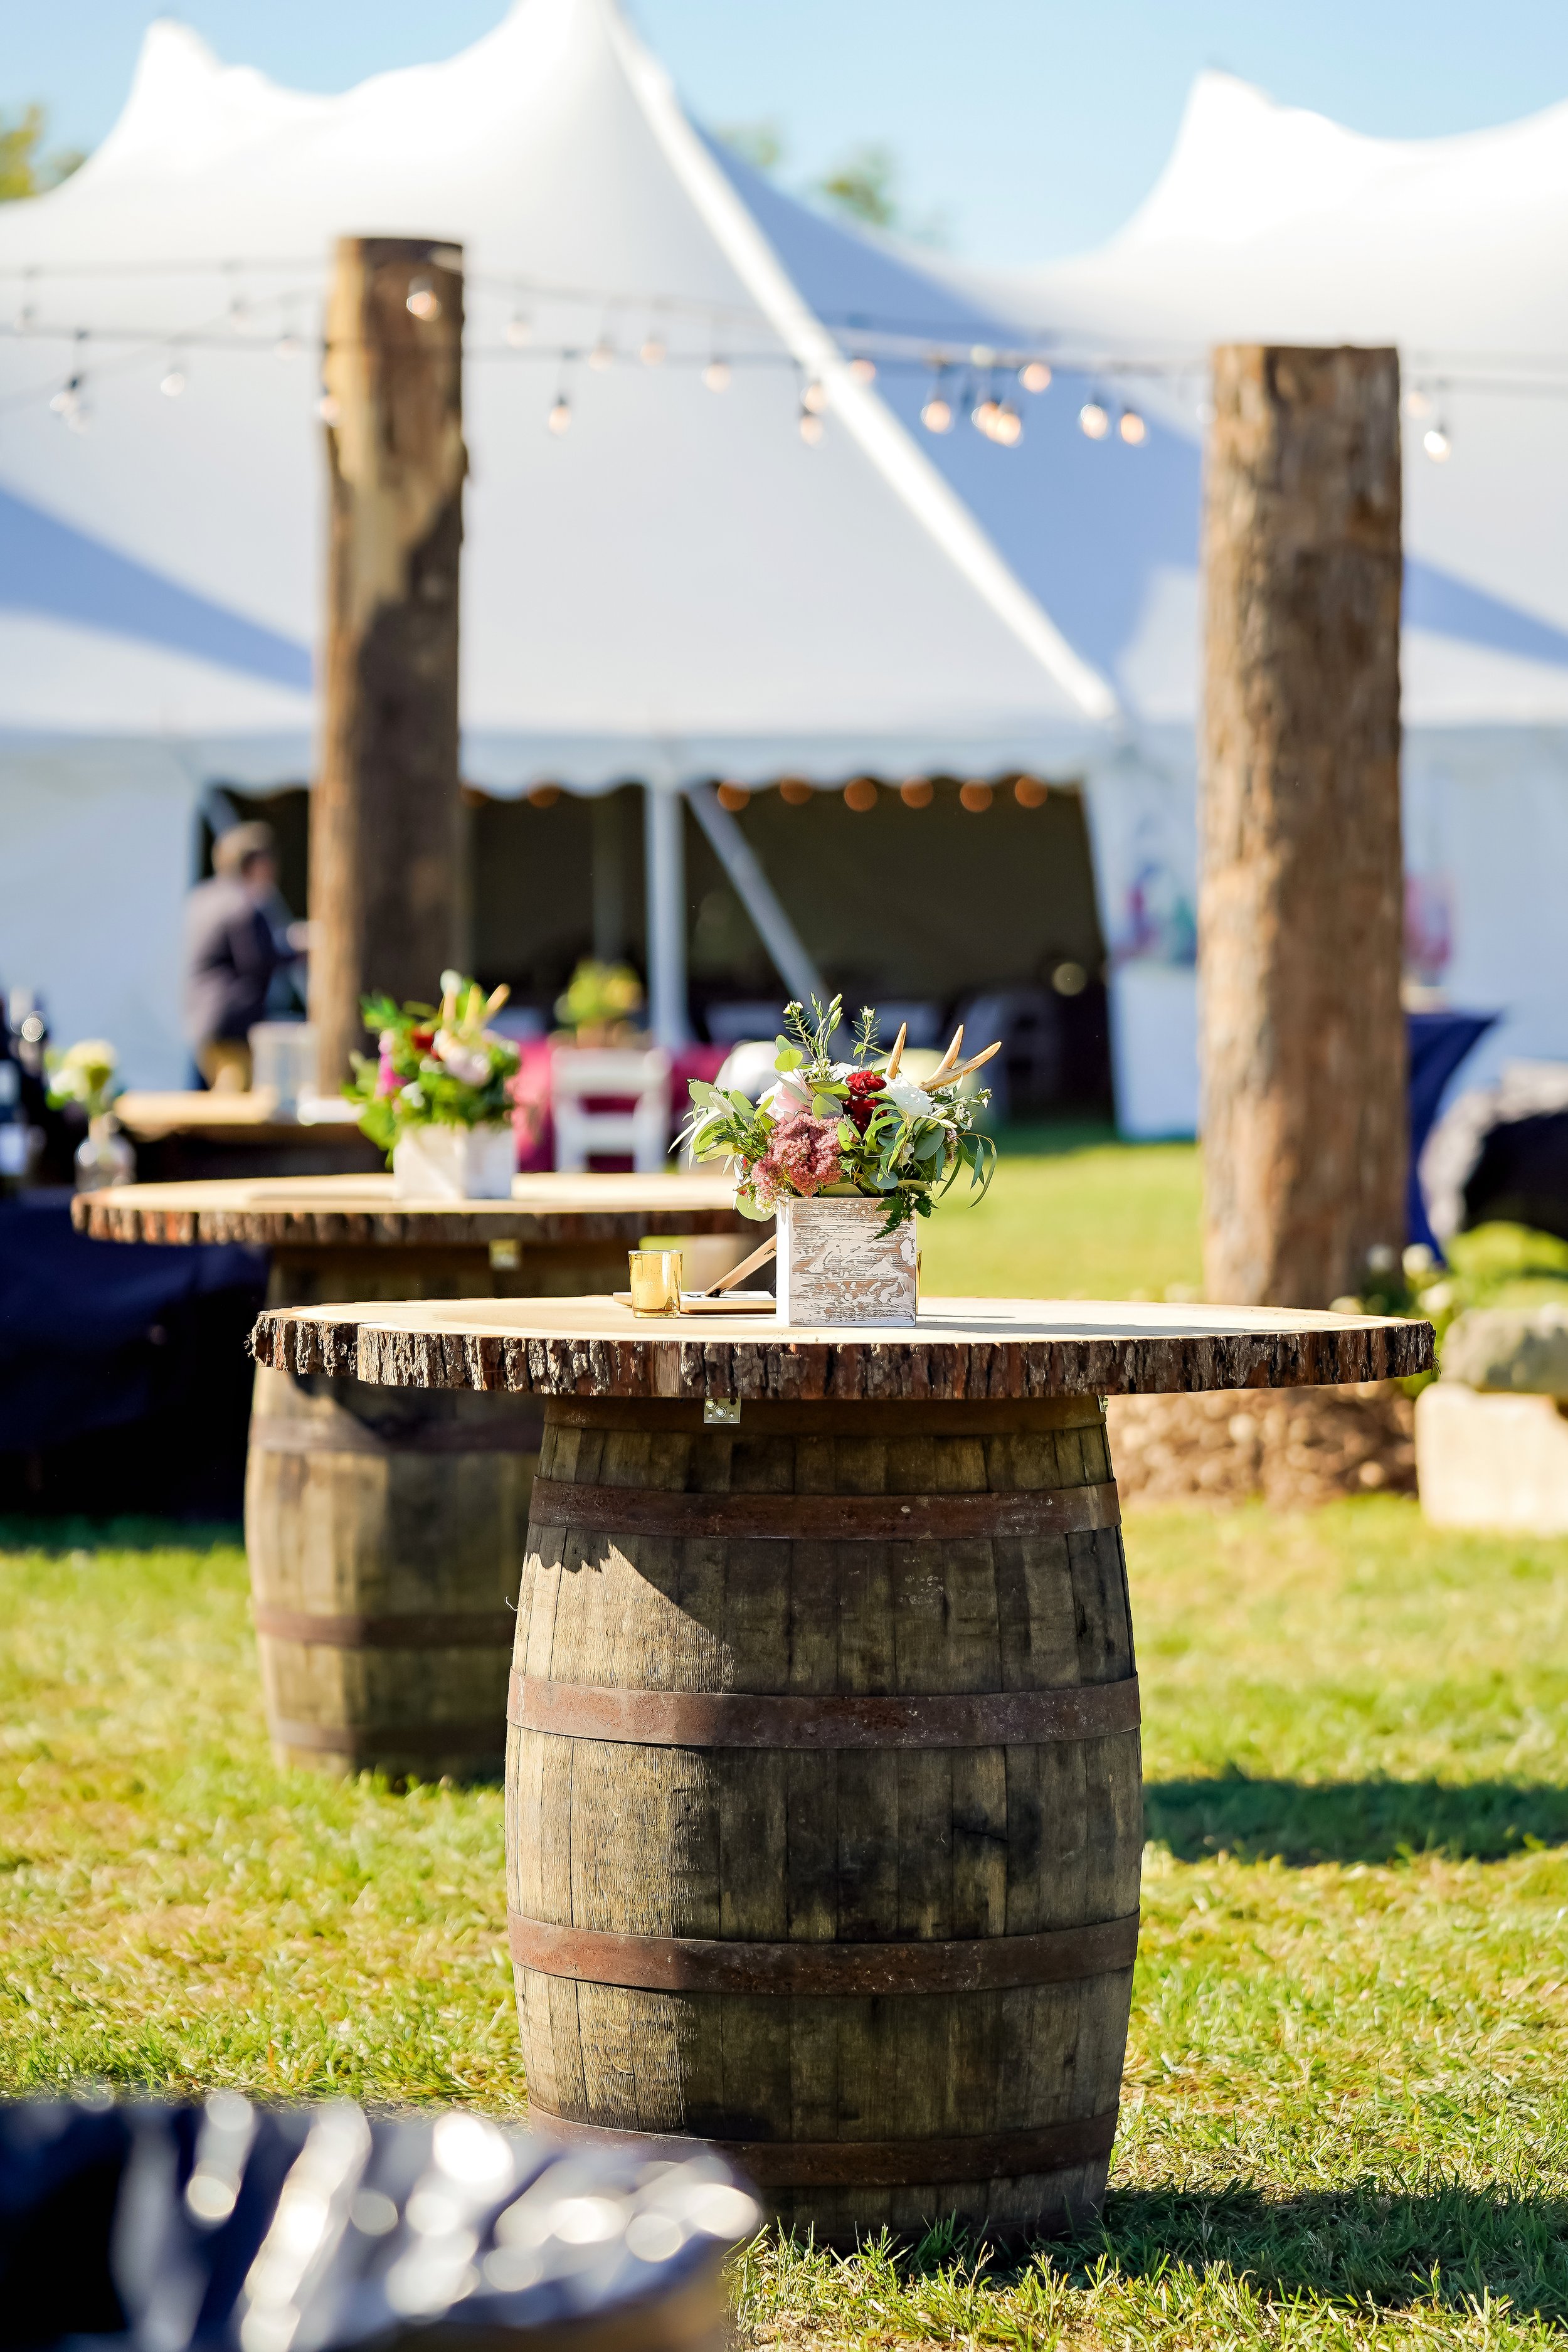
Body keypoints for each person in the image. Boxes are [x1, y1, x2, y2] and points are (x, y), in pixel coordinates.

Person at [183, 822, 295, 1091]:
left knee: (224, 1098)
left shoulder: (204, 898)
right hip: (232, 1024)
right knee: (232, 1109)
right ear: (254, 865)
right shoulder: (242, 906)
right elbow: (257, 962)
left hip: (204, 1020)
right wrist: (298, 950)